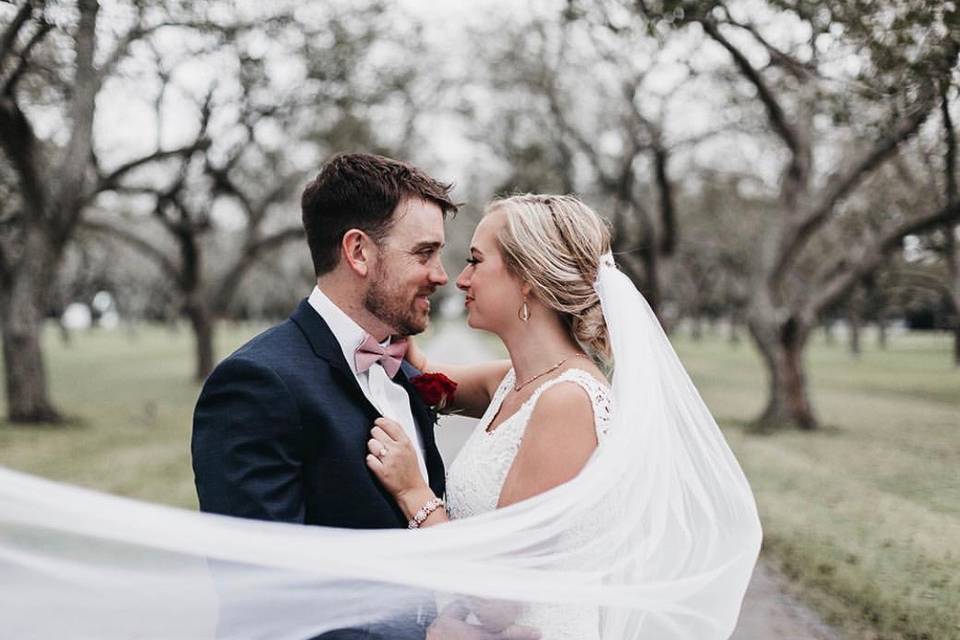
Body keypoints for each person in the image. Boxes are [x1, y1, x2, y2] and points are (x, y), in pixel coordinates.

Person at [191, 153, 460, 639]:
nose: (441, 275)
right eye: (424, 253)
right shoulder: (257, 384)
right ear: (358, 252)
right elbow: (265, 604)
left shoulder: (400, 375)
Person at [367, 194, 617, 640]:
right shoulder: (518, 379)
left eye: (476, 261)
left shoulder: (567, 402)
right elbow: (430, 383)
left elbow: (498, 599)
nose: (460, 279)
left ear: (527, 280)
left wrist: (414, 494)